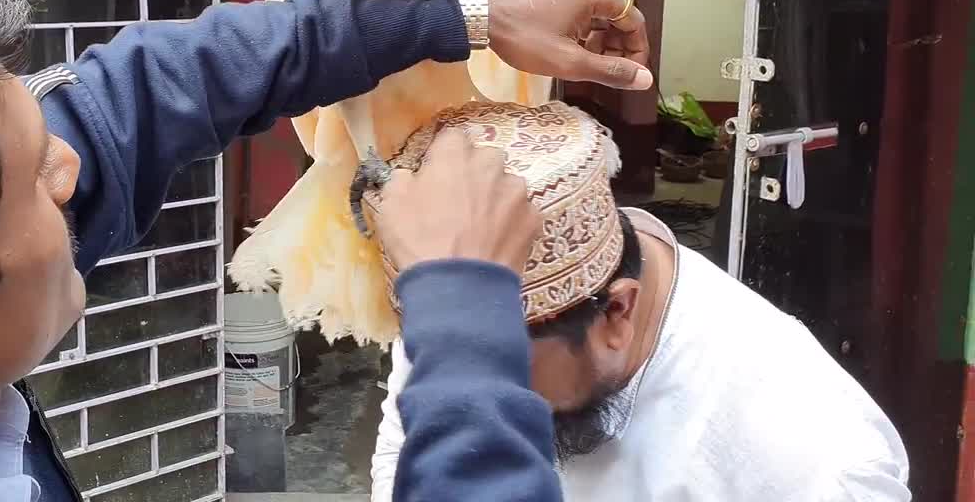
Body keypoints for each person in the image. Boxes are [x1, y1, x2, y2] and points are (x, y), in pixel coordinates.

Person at [0, 0, 649, 501]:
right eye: (38, 173)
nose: (74, 162)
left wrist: (466, 11)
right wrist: (464, 312)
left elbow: (163, 84)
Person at [370, 105, 912, 502]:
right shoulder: (458, 304)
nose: (468, 382)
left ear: (617, 313)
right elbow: (406, 451)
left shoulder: (810, 463)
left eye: (506, 374)